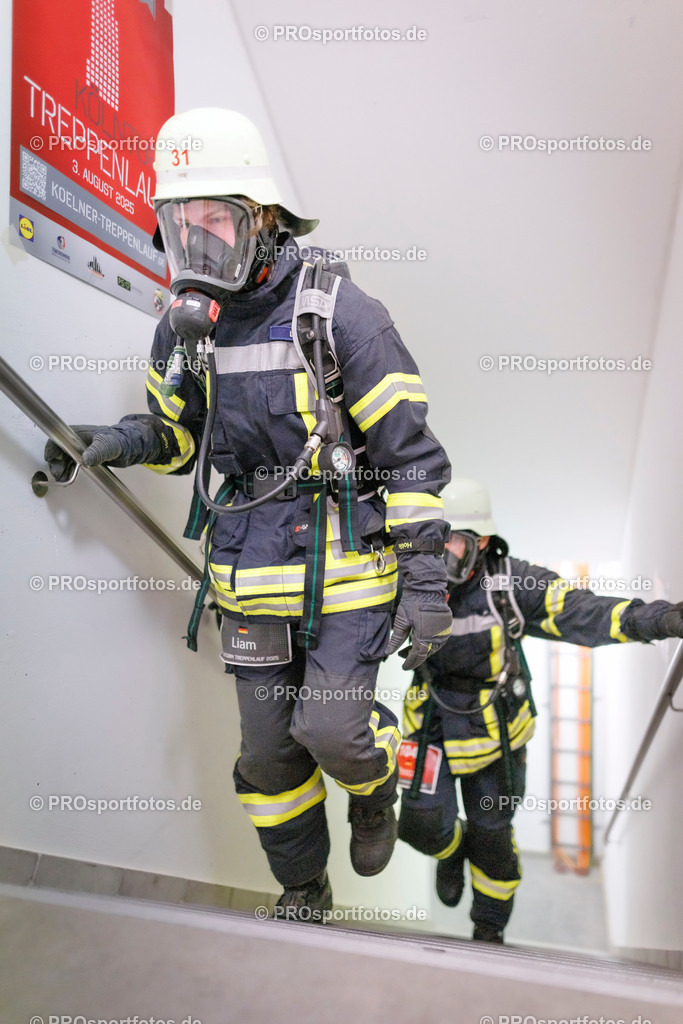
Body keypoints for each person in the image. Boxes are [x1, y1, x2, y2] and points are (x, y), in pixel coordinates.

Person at [44, 108, 453, 919]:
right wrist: (116, 442)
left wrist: (426, 582)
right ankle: (304, 885)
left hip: (347, 578)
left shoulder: (341, 313)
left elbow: (409, 456)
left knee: (332, 731)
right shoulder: (185, 329)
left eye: (217, 224)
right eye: (180, 228)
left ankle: (372, 796)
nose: (199, 248)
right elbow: (176, 439)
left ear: (263, 221)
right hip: (248, 577)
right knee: (268, 760)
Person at [397, 477, 683, 944]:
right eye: (435, 535)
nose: (441, 549)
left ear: (482, 541)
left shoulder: (513, 584)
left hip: (497, 735)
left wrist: (661, 618)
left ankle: (488, 927)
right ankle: (451, 852)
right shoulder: (411, 579)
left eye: (453, 539)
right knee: (422, 823)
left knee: (492, 837)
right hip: (430, 720)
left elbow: (586, 612)